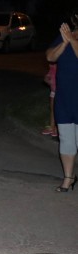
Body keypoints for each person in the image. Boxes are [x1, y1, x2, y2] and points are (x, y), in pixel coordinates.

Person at [46, 12, 78, 192]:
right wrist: (65, 42)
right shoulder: (64, 36)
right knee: (66, 139)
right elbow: (50, 57)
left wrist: (71, 41)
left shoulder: (70, 37)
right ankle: (68, 178)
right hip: (65, 97)